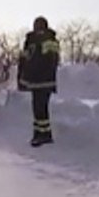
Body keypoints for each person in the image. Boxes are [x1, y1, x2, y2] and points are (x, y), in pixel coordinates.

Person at [17, 16, 60, 146]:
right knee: (38, 109)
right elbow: (25, 60)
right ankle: (40, 134)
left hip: (42, 81)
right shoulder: (32, 41)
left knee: (41, 109)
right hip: (38, 81)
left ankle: (44, 136)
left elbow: (47, 60)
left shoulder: (45, 40)